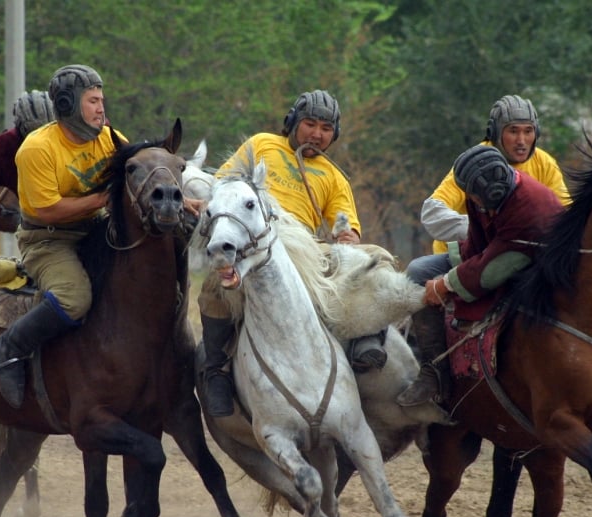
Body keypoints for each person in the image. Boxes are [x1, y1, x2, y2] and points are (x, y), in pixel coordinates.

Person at [200, 89, 381, 418]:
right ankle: (216, 371)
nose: (317, 134)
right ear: (293, 123)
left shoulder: (334, 176)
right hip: (250, 245)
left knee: (373, 259)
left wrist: (346, 237)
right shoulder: (261, 145)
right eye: (310, 124)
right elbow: (222, 183)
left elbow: (344, 224)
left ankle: (366, 343)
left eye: (326, 129)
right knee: (214, 289)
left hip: (304, 255)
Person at [0, 64, 124, 408]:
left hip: (94, 228)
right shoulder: (37, 149)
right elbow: (46, 211)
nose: (101, 108)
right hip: (48, 239)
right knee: (73, 299)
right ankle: (9, 348)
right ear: (68, 103)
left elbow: (134, 173)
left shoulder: (109, 138)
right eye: (92, 101)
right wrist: (101, 199)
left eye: (101, 100)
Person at [395, 144, 563, 410]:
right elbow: (478, 240)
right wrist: (447, 276)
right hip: (488, 254)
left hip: (527, 267)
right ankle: (435, 371)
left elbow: (495, 265)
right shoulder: (487, 191)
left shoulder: (532, 208)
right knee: (418, 271)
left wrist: (445, 284)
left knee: (442, 283)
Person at [412, 94, 570, 278]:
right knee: (418, 271)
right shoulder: (477, 162)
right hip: (467, 254)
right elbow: (432, 212)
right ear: (495, 132)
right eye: (513, 131)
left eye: (528, 131)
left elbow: (564, 216)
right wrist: (483, 229)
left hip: (517, 253)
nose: (521, 140)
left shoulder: (545, 163)